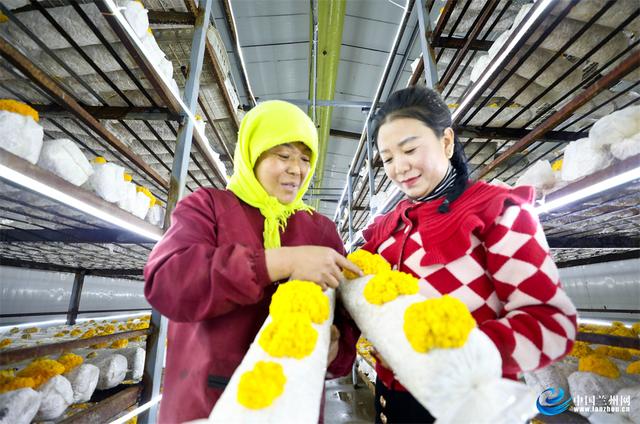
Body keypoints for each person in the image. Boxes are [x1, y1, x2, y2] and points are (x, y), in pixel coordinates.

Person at [361, 86, 578, 424]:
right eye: (388, 158)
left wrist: (461, 354)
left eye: (410, 149)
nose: (400, 167)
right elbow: (356, 287)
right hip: (394, 403)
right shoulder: (387, 228)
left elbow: (550, 324)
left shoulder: (498, 211)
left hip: (469, 408)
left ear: (446, 141)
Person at [144, 100, 362, 423]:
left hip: (291, 405)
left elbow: (345, 319)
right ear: (252, 153)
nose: (296, 169)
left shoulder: (321, 230)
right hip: (208, 403)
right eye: (283, 155)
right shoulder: (208, 207)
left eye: (305, 159)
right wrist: (278, 262)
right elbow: (167, 281)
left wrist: (336, 348)